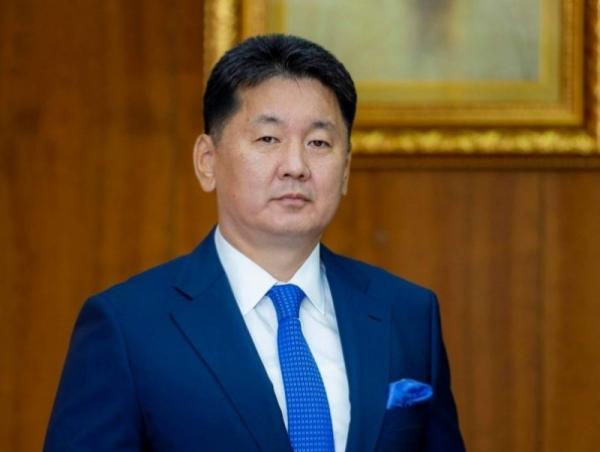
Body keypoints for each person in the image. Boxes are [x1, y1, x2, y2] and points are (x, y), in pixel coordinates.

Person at [45, 34, 465, 452]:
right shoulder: (128, 327)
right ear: (207, 161)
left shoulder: (408, 314)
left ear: (345, 169)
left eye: (319, 143)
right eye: (268, 139)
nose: (296, 166)